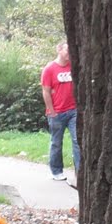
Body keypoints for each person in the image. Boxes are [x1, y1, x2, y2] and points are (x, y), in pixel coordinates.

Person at [40, 39, 80, 182]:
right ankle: (56, 171)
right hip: (57, 112)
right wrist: (51, 111)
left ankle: (79, 172)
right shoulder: (50, 69)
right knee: (56, 142)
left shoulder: (73, 67)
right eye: (67, 50)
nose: (69, 54)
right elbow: (46, 91)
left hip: (73, 111)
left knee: (77, 140)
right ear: (59, 50)